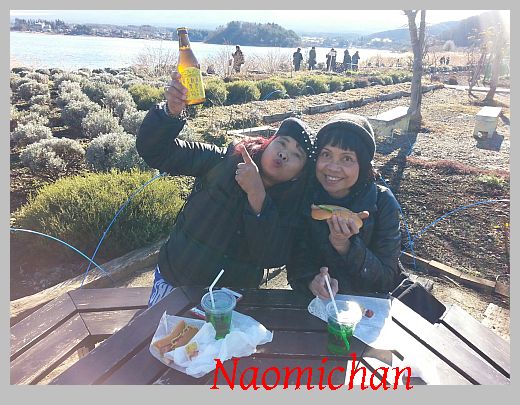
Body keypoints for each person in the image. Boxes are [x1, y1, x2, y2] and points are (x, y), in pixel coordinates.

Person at [137, 72, 315, 307]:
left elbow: (273, 256)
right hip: (176, 282)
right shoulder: (223, 161)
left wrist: (257, 197)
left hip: (233, 300)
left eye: (297, 155)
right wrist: (170, 113)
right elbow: (156, 151)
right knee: (164, 331)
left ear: (300, 174)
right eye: (282, 143)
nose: (284, 154)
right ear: (269, 142)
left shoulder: (291, 204)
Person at [287, 113, 446, 323]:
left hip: (374, 316)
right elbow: (296, 261)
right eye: (326, 154)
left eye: (347, 158)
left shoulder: (382, 203)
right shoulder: (307, 198)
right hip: (323, 311)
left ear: (363, 165)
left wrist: (345, 245)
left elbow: (387, 278)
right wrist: (311, 281)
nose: (332, 167)